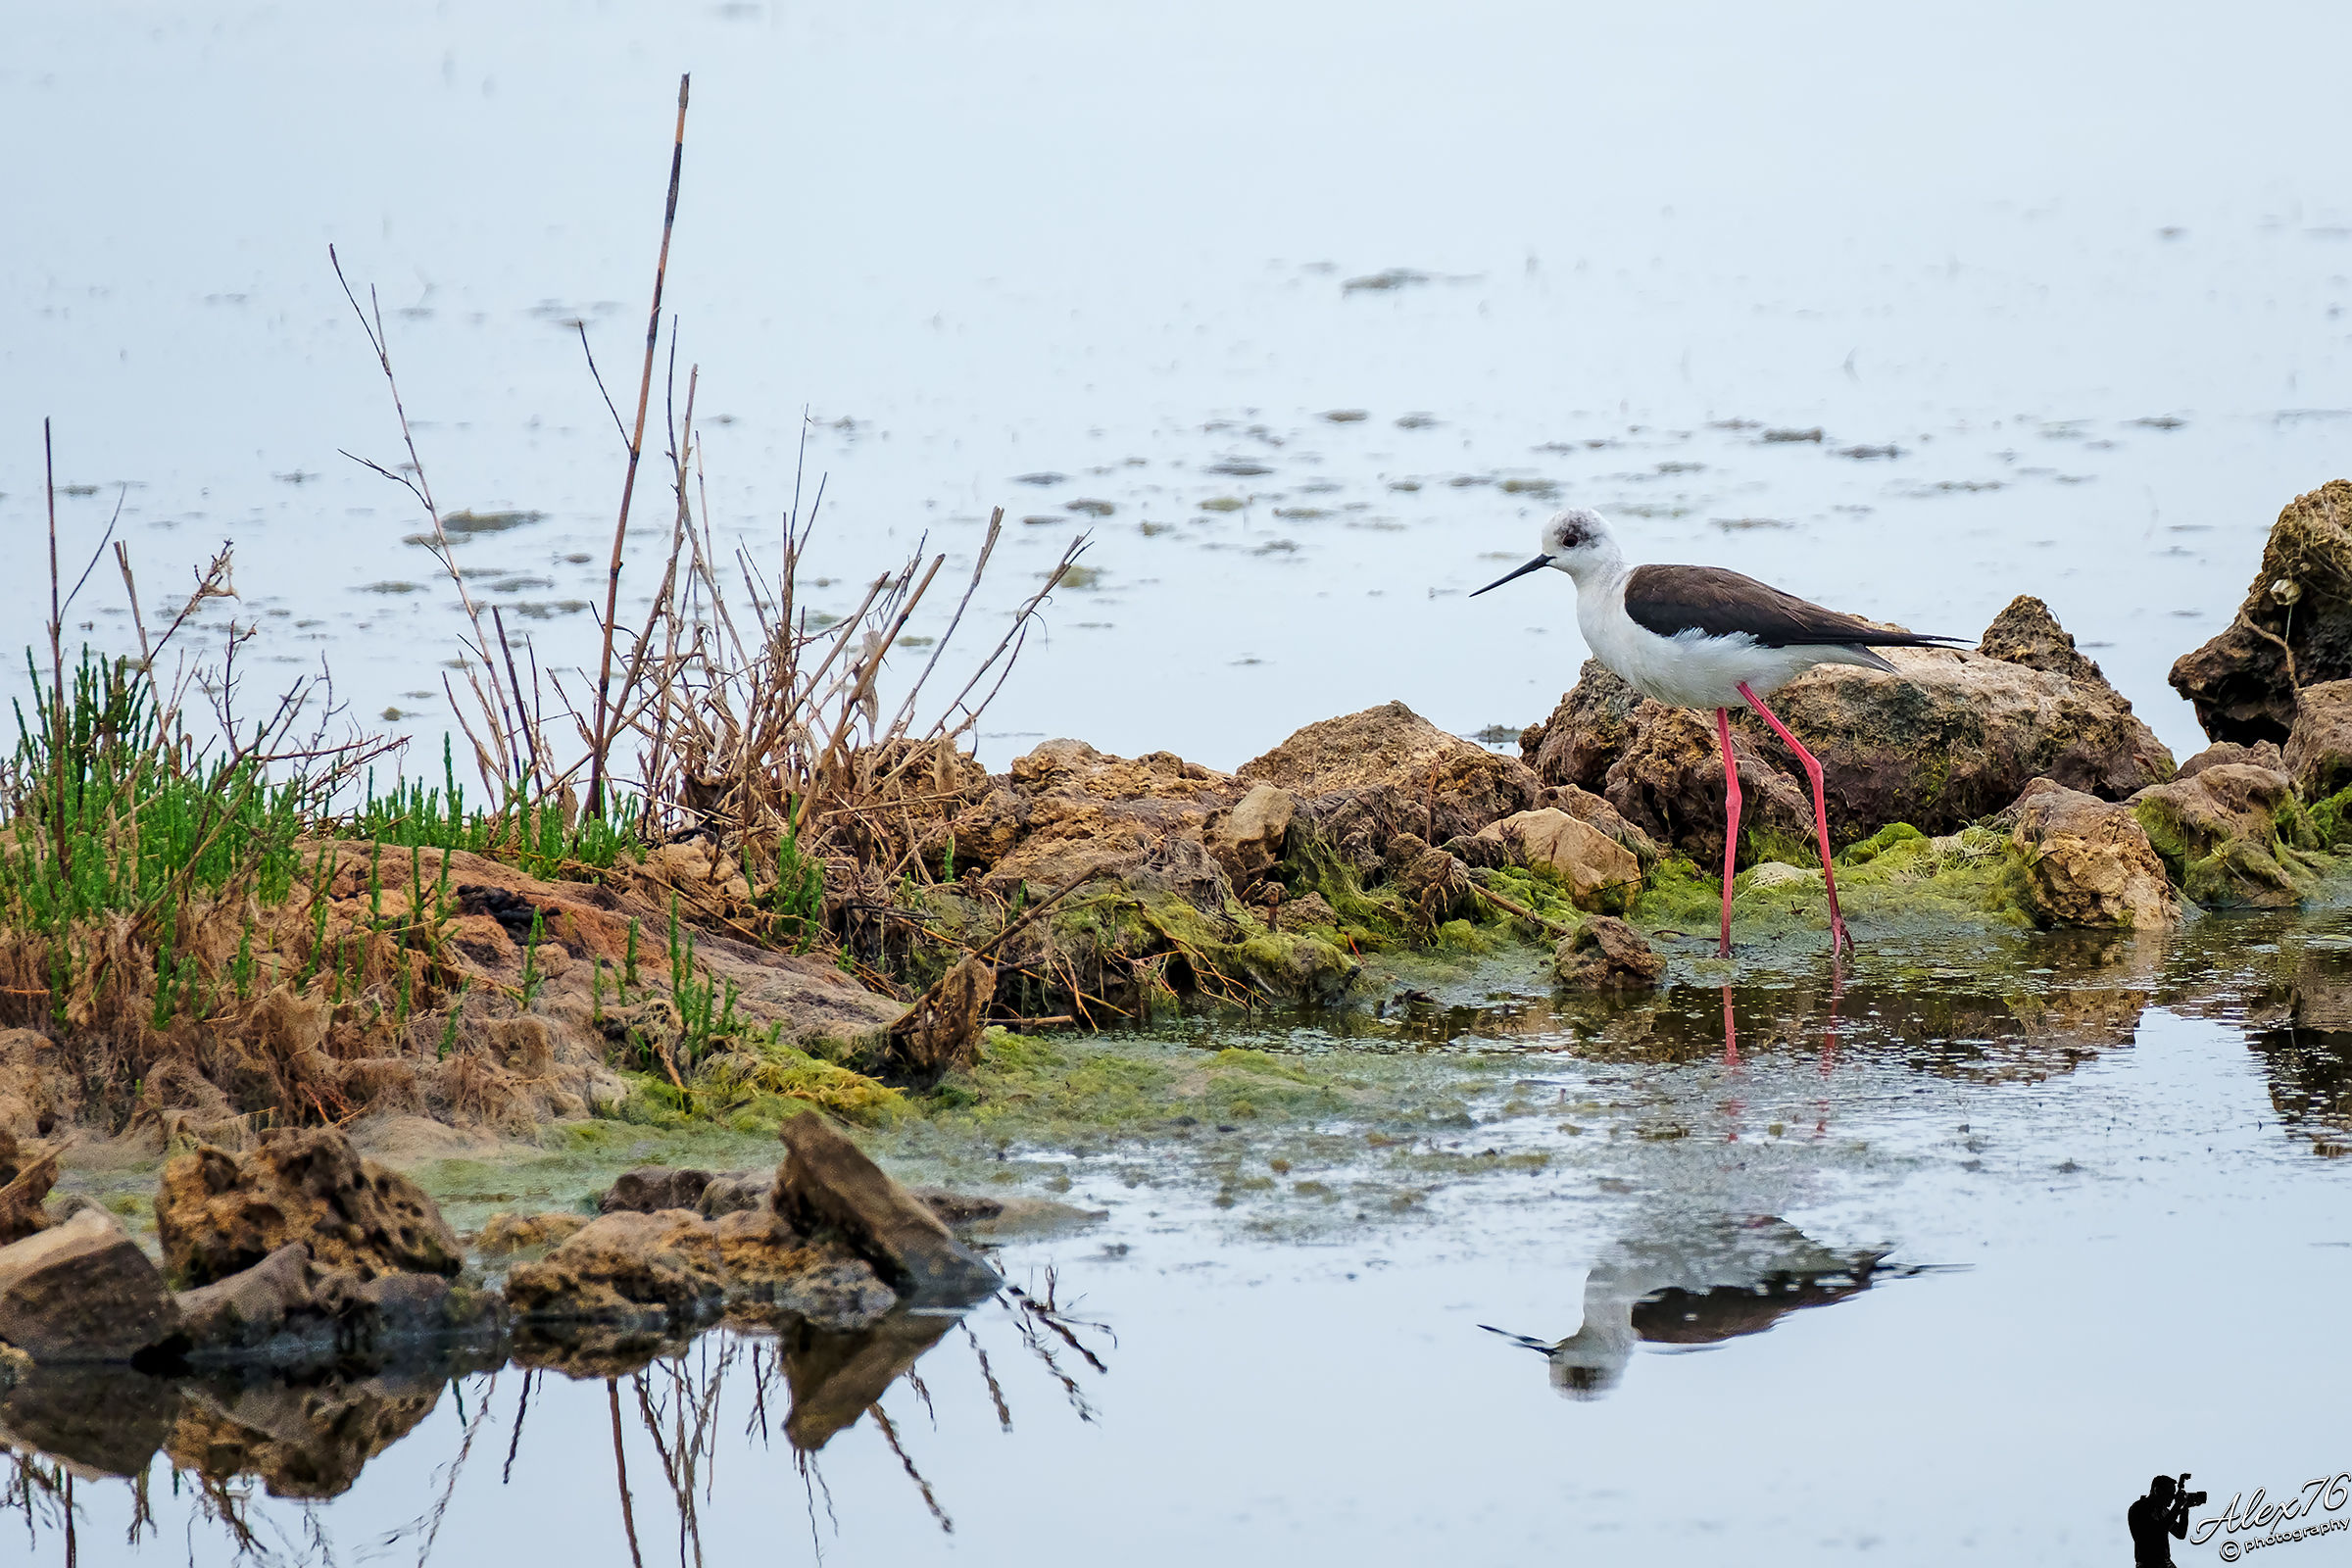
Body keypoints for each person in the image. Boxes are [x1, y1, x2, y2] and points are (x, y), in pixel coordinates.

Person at [2128, 1475, 2190, 1566]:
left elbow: (2180, 1533)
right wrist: (2177, 1506)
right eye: (2170, 1494)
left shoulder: (2162, 1510)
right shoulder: (2139, 1508)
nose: (2173, 1498)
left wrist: (2185, 1509)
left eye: (2174, 1495)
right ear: (2157, 1491)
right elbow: (2158, 1532)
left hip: (2164, 1562)